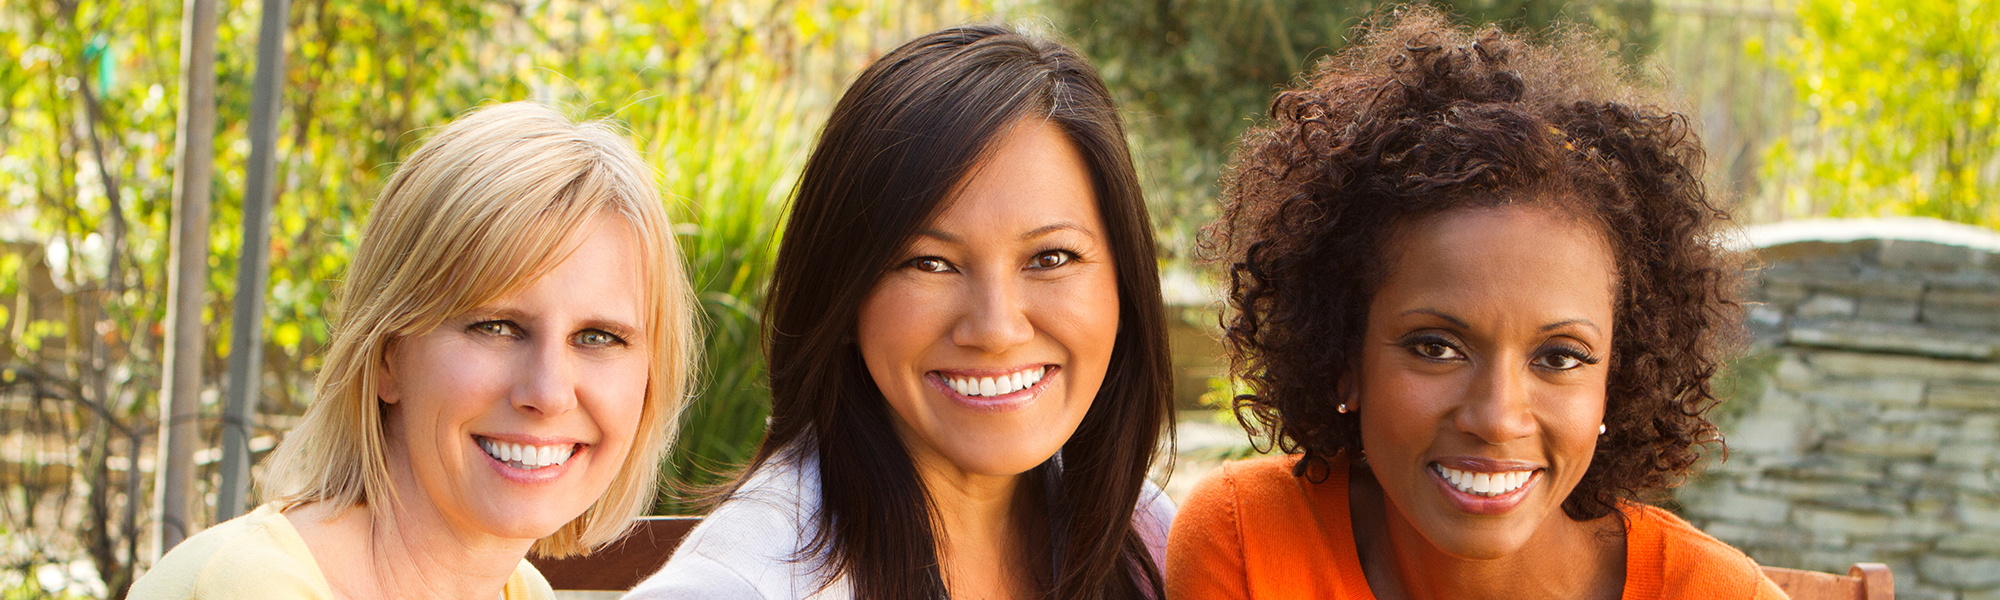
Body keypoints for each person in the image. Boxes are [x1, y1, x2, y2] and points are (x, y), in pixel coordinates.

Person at [1167, 7, 1784, 600]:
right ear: (1345, 358)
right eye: (1436, 348)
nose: (1496, 417)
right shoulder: (1249, 540)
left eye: (1561, 357)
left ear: (1615, 385)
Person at [626, 23, 1175, 600]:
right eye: (929, 263)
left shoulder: (1147, 535)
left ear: (1124, 279)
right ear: (841, 292)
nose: (996, 329)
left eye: (1051, 257)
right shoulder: (740, 586)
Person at [131, 102, 699, 600]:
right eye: (497, 326)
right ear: (385, 354)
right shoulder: (245, 589)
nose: (548, 392)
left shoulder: (520, 591)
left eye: (599, 337)